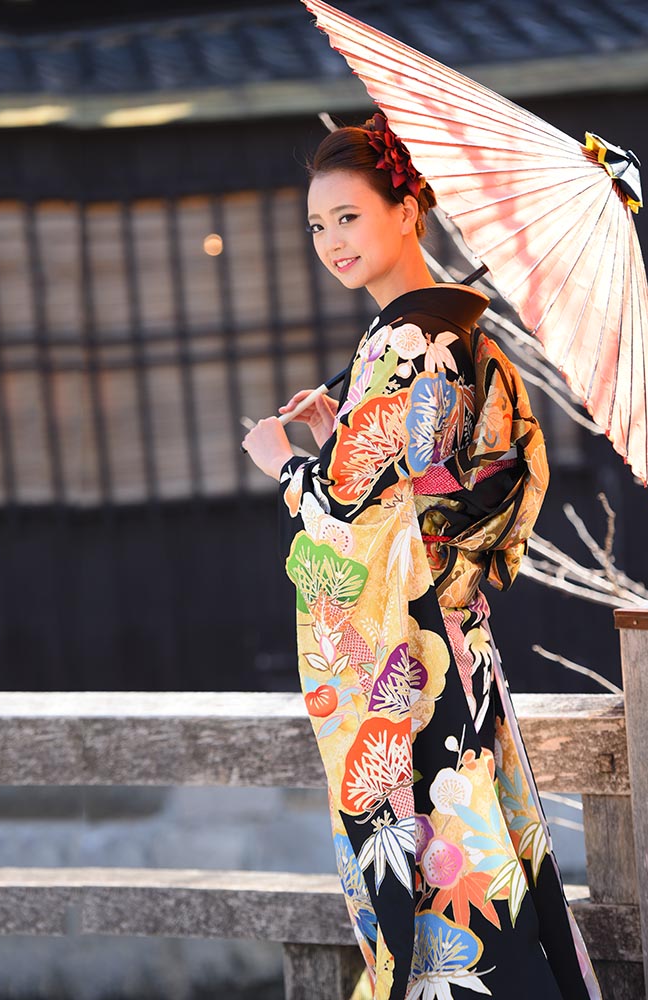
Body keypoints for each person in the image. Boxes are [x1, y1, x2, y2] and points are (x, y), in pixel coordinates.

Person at [243, 113, 602, 1000]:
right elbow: (425, 487)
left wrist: (284, 463)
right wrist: (339, 441)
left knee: (441, 872)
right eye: (317, 225)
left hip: (410, 664)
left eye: (349, 217)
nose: (331, 241)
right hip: (456, 641)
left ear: (407, 209)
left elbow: (342, 513)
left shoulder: (400, 344)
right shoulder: (467, 339)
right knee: (477, 853)